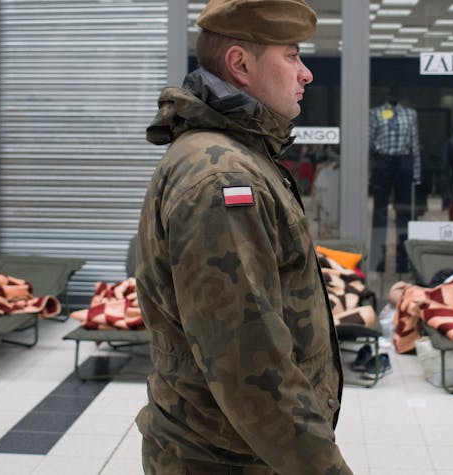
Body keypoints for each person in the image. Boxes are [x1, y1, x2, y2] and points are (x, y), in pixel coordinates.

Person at [134, 0, 351, 473]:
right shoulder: (223, 177)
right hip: (228, 458)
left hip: (240, 447)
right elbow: (251, 369)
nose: (306, 73)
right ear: (240, 65)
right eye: (291, 55)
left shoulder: (237, 154)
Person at [368, 98, 420, 273]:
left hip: (403, 163)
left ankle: (403, 262)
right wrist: (368, 173)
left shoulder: (411, 114)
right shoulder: (375, 113)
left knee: (404, 214)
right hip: (382, 163)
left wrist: (416, 174)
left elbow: (414, 144)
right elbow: (369, 143)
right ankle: (378, 261)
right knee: (379, 214)